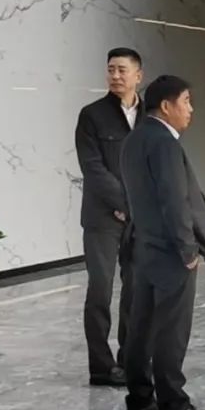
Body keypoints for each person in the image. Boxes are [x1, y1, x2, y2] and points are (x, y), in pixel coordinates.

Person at [119, 75, 205, 410]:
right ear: (166, 106)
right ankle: (174, 407)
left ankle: (140, 399)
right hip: (169, 252)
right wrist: (188, 250)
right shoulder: (164, 143)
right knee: (171, 331)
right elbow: (174, 201)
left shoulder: (134, 139)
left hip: (143, 246)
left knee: (141, 326)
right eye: (187, 101)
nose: (191, 109)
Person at [74, 47, 143, 387]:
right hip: (102, 217)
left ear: (138, 76)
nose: (115, 76)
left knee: (135, 291)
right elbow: (93, 168)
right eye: (111, 70)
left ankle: (129, 361)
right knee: (100, 290)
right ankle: (101, 367)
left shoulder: (151, 116)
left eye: (122, 70)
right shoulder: (92, 115)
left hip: (140, 219)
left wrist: (137, 208)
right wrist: (123, 203)